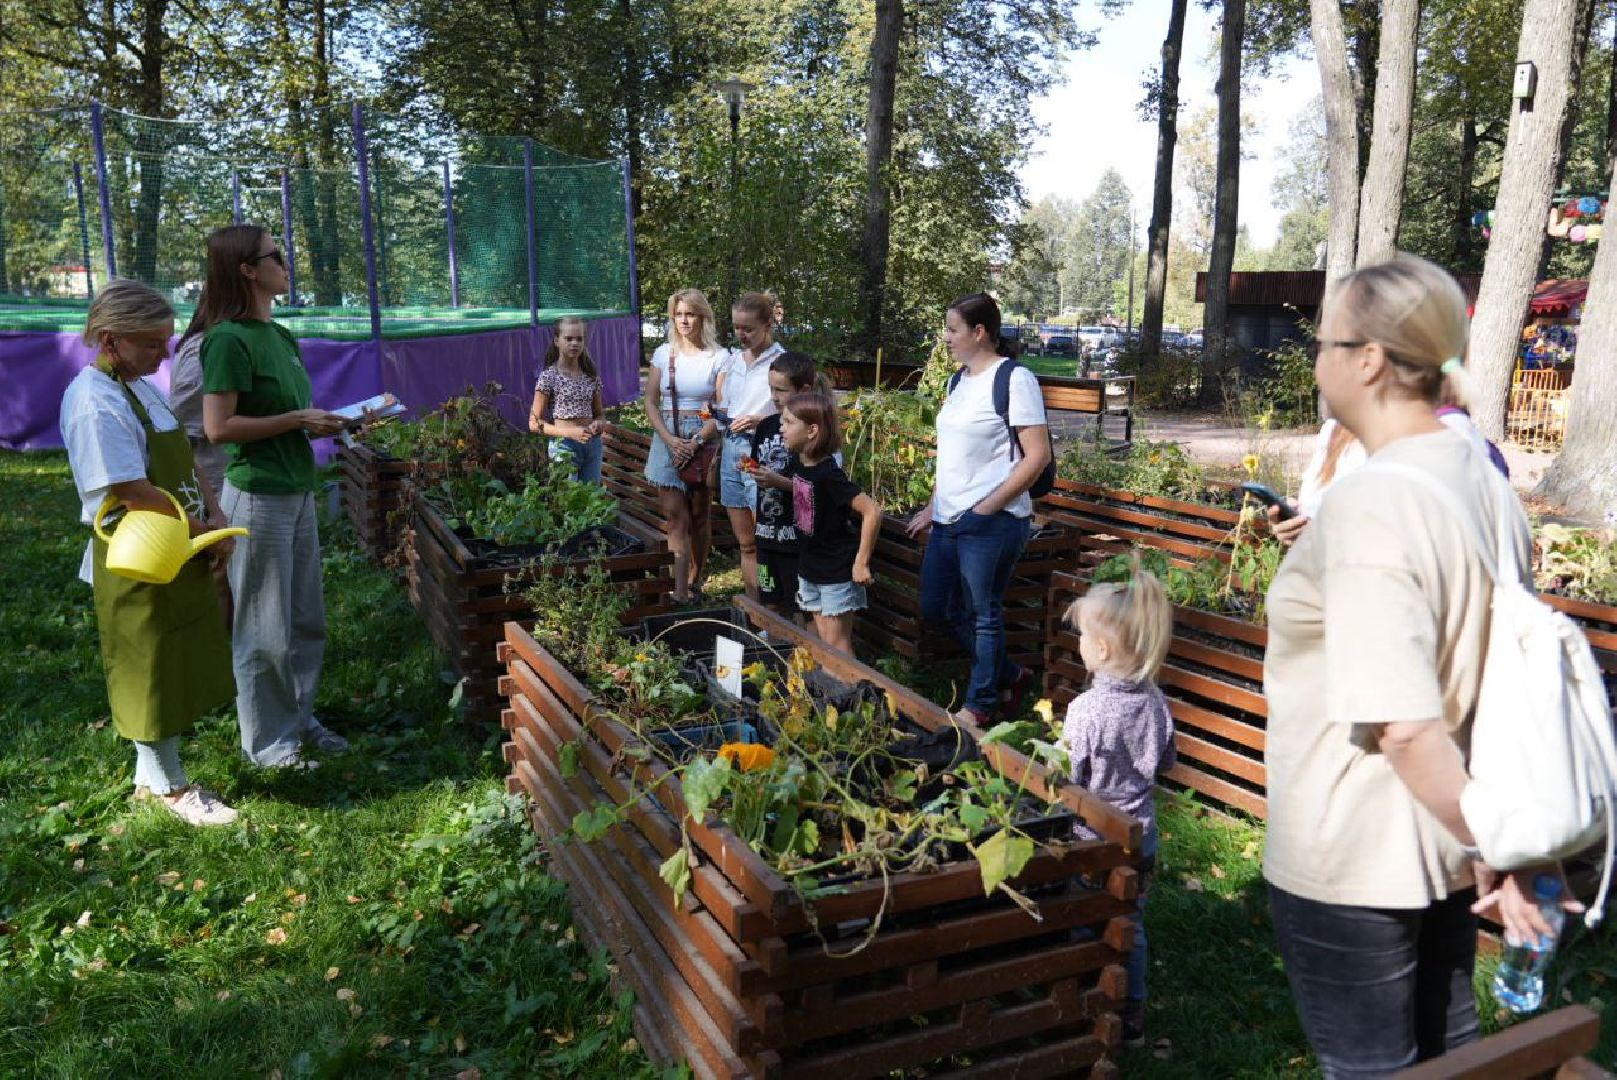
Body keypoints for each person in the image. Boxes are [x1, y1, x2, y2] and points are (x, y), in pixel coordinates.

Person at [1262, 253, 1576, 1076]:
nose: (1317, 361)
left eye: (1324, 343)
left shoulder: (1372, 501)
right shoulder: (1480, 477)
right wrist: (1491, 839)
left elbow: (1400, 724)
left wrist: (1498, 846)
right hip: (1447, 839)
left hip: (1354, 851)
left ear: (1366, 359)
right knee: (1449, 1061)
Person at [59, 280, 239, 825]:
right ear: (109, 340)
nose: (164, 354)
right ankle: (171, 789)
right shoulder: (94, 402)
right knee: (149, 665)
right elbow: (132, 491)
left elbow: (184, 453)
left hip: (176, 543)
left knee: (176, 656)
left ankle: (151, 778)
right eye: (152, 343)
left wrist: (215, 516)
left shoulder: (141, 387)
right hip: (140, 552)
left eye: (166, 340)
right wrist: (199, 531)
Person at [198, 224, 348, 769]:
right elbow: (218, 428)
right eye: (275, 255)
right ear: (247, 270)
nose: (285, 263)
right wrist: (296, 420)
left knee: (305, 618)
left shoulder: (279, 336)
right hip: (259, 496)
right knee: (263, 628)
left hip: (297, 490)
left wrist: (324, 423)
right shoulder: (227, 340)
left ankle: (299, 719)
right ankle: (268, 745)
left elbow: (286, 416)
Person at [906, 293, 1050, 724]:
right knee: (935, 606)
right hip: (950, 519)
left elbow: (1037, 456)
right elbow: (952, 454)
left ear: (979, 332)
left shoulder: (1014, 379)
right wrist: (934, 505)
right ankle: (1009, 674)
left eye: (953, 330)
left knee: (983, 614)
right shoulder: (958, 381)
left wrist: (986, 509)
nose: (946, 338)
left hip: (993, 521)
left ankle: (981, 705)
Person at [1060, 560, 1175, 1048]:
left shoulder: (1086, 711)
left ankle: (1083, 1002)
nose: (1080, 645)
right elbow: (1165, 761)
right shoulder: (1157, 703)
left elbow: (1068, 778)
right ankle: (1130, 1014)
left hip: (1094, 836)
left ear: (1101, 650)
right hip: (1141, 833)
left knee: (1084, 917)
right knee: (1131, 923)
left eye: (1083, 638)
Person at [752, 391, 880, 654]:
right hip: (810, 566)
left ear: (812, 431)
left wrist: (861, 562)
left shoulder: (828, 474)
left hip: (835, 570)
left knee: (837, 647)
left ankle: (846, 682)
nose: (781, 427)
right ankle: (823, 680)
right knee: (820, 642)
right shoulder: (800, 464)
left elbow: (872, 511)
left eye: (788, 422)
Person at [644, 289, 725, 603]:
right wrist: (669, 440)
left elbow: (722, 408)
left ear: (702, 316)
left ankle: (695, 580)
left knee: (700, 515)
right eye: (678, 314)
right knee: (676, 517)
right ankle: (678, 590)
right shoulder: (664, 353)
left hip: (703, 436)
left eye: (690, 314)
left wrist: (696, 441)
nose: (683, 321)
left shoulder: (719, 356)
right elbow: (651, 402)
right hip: (668, 434)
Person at [713, 292, 785, 602]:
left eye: (748, 329)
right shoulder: (733, 361)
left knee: (766, 537)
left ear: (767, 325)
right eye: (736, 328)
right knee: (746, 542)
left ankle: (774, 608)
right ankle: (754, 608)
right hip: (732, 449)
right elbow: (726, 405)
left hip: (763, 451)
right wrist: (716, 416)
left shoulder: (781, 362)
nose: (741, 335)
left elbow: (794, 412)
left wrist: (759, 420)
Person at [750, 351, 832, 618]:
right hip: (766, 535)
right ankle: (772, 642)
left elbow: (819, 488)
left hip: (796, 541)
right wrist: (750, 469)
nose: (774, 396)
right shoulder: (765, 426)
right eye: (771, 389)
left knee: (800, 608)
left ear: (804, 390)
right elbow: (757, 463)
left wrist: (780, 483)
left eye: (781, 390)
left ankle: (797, 645)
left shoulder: (813, 433)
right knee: (770, 601)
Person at [529, 315, 605, 483]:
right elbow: (534, 424)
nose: (574, 343)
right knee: (567, 497)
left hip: (592, 447)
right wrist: (570, 433)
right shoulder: (548, 377)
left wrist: (598, 424)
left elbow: (600, 414)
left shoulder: (591, 376)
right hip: (563, 447)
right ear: (557, 341)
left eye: (579, 339)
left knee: (591, 497)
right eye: (569, 338)